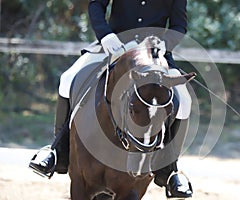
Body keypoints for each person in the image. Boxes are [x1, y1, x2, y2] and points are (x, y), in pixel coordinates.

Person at [29, 0, 193, 198]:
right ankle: (57, 150)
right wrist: (106, 36)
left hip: (152, 57)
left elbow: (179, 25)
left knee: (184, 100)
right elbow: (96, 4)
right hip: (114, 46)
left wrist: (165, 43)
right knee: (68, 78)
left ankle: (169, 170)